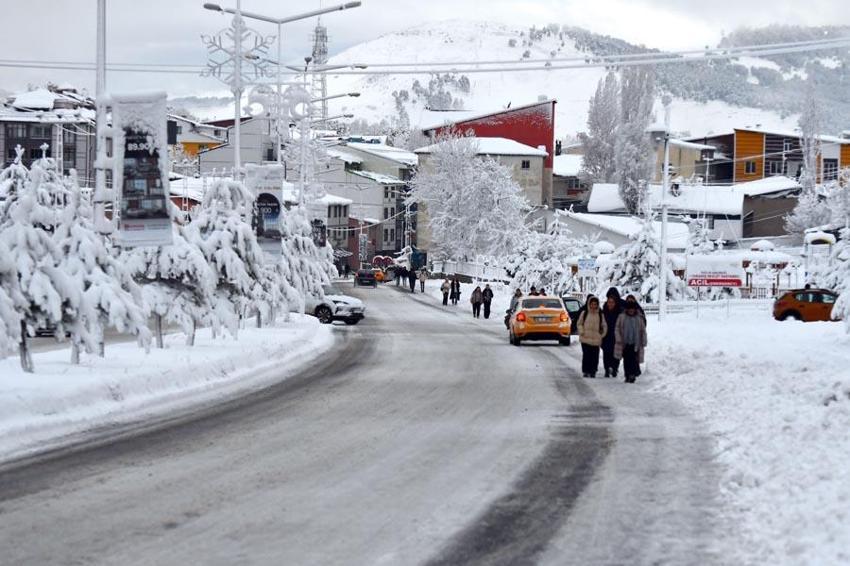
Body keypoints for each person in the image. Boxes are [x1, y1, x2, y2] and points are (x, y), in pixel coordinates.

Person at [615, 297, 648, 383]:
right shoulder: (622, 317)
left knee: (633, 360)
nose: (631, 311)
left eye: (632, 309)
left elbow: (643, 330)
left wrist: (643, 340)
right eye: (629, 309)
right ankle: (627, 374)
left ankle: (632, 374)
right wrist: (618, 338)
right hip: (625, 343)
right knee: (626, 360)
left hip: (635, 343)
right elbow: (617, 328)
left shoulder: (639, 318)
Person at [578, 296, 607, 378]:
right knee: (586, 355)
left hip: (596, 340)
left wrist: (602, 335)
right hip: (585, 338)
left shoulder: (600, 315)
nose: (593, 306)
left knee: (594, 357)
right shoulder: (584, 313)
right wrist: (582, 331)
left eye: (595, 304)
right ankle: (586, 371)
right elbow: (579, 323)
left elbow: (604, 326)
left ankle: (593, 370)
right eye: (592, 304)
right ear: (589, 304)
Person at [601, 294, 622, 378]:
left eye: (612, 302)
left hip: (616, 337)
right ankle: (607, 369)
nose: (611, 304)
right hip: (606, 336)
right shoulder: (604, 312)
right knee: (606, 354)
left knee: (615, 355)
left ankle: (614, 369)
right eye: (609, 302)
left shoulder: (618, 313)